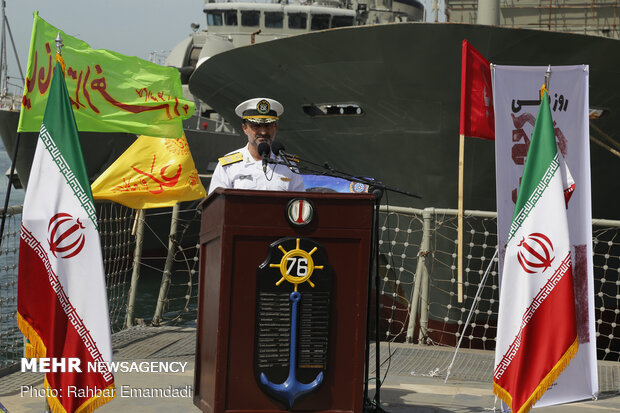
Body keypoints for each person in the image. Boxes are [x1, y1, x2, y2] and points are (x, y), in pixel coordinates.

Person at [207, 97, 306, 194]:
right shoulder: (229, 166)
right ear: (245, 128)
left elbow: (300, 202)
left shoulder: (288, 166)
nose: (263, 132)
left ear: (275, 128)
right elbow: (216, 205)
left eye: (268, 126)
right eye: (256, 126)